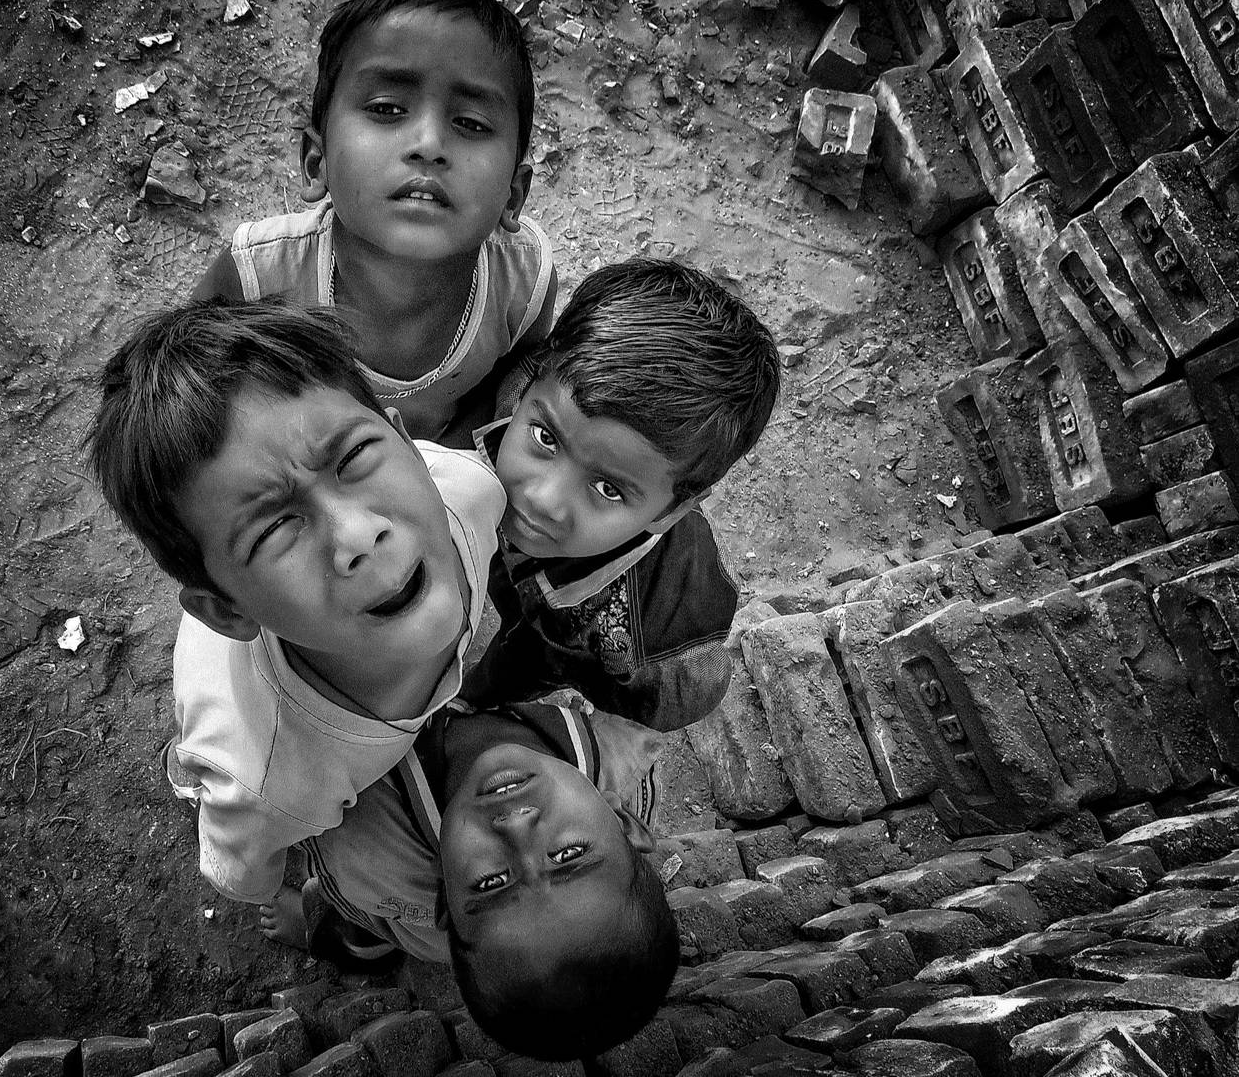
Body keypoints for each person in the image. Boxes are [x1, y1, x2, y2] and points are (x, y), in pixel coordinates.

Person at [84, 298, 504, 904]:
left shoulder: (470, 493)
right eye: (275, 529)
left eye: (353, 457)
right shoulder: (262, 779)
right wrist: (287, 901)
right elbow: (240, 869)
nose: (358, 536)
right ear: (227, 611)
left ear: (409, 444)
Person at [192, 0, 556, 447]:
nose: (429, 144)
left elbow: (515, 384)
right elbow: (177, 393)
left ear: (514, 193)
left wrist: (444, 460)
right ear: (316, 164)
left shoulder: (523, 284)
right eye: (386, 109)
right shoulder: (257, 279)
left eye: (470, 123)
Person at [466, 258, 782, 730]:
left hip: (578, 643)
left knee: (525, 658)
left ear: (671, 512)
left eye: (607, 489)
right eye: (547, 439)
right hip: (538, 581)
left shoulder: (649, 639)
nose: (543, 498)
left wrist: (480, 693)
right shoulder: (517, 395)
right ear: (535, 380)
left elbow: (684, 693)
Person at [272, 694, 678, 1061]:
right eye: (568, 855)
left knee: (363, 919)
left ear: (445, 900)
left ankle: (332, 931)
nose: (517, 828)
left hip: (402, 907)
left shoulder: (366, 836)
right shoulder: (622, 752)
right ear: (623, 820)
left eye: (492, 882)